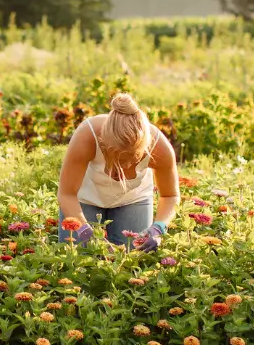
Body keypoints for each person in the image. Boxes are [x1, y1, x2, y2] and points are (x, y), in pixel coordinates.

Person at [57, 93, 179, 251]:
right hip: (84, 198)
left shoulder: (159, 148)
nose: (125, 166)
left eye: (133, 159)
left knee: (130, 256)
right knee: (77, 255)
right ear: (104, 144)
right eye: (119, 160)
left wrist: (158, 228)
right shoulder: (88, 135)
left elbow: (170, 196)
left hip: (132, 199)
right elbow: (66, 194)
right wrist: (85, 232)